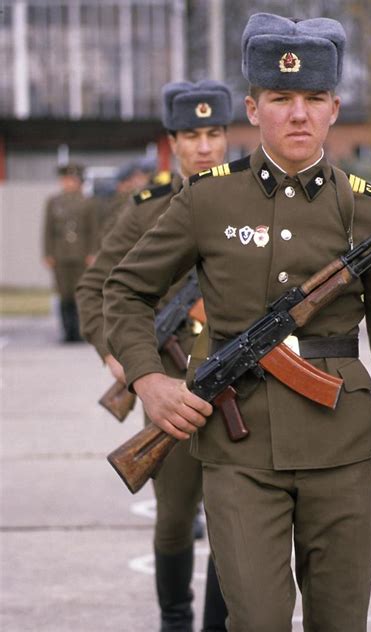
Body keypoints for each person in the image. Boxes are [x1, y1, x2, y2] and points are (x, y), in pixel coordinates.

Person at [102, 14, 371, 632]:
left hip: (341, 451)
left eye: (314, 99)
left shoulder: (366, 209)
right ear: (254, 109)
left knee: (340, 622)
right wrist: (149, 382)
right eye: (281, 99)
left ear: (335, 108)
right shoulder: (209, 199)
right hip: (240, 455)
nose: (298, 114)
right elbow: (123, 291)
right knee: (256, 619)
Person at [76, 80, 232, 631]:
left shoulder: (248, 198)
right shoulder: (147, 210)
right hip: (168, 387)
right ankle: (175, 618)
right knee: (173, 518)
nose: (206, 146)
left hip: (237, 386)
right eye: (193, 135)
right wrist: (118, 358)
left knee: (232, 523)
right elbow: (96, 287)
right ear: (173, 142)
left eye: (215, 133)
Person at [42, 163, 98, 342]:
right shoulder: (54, 202)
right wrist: (48, 253)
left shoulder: (88, 202)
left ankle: (81, 332)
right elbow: (47, 230)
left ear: (79, 182)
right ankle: (67, 332)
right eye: (65, 179)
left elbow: (94, 230)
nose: (67, 183)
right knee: (64, 294)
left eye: (71, 180)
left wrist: (92, 252)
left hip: (81, 254)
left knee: (80, 294)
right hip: (60, 254)